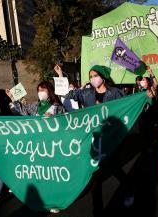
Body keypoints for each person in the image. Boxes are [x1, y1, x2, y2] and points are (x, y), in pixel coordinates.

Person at [54, 64, 134, 216]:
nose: (93, 79)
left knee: (115, 168)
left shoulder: (115, 93)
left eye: (95, 76)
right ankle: (97, 210)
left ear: (103, 77)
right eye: (91, 76)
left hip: (112, 138)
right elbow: (66, 94)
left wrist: (147, 96)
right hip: (94, 139)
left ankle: (129, 190)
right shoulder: (86, 93)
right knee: (95, 175)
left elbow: (128, 107)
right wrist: (59, 75)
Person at [5, 81, 65, 213]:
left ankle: (55, 201)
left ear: (49, 91)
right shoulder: (35, 106)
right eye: (38, 90)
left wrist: (55, 119)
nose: (40, 92)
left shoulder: (58, 107)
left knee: (52, 175)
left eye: (43, 89)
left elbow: (65, 124)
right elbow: (20, 111)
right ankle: (45, 199)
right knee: (41, 175)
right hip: (38, 147)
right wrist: (12, 98)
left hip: (53, 146)